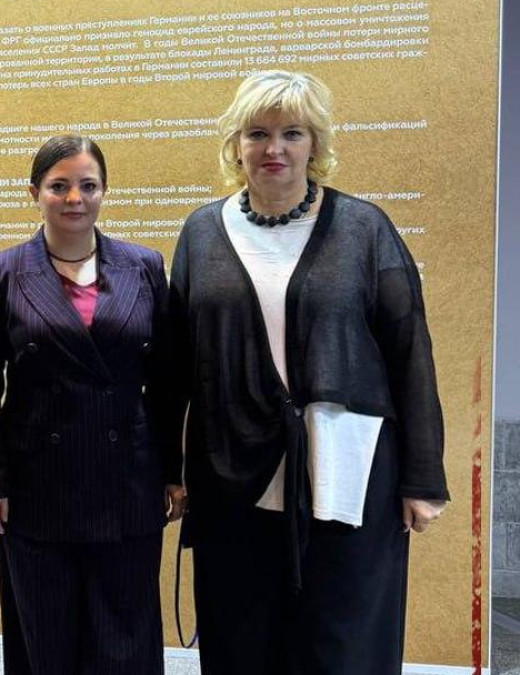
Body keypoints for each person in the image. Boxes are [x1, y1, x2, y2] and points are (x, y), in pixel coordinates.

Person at [163, 70, 448, 674]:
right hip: (231, 471)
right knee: (242, 640)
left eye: (292, 133)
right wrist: (168, 468)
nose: (275, 148)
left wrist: (422, 479)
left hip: (346, 474)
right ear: (236, 143)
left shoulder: (365, 229)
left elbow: (409, 353)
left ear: (314, 143)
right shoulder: (201, 233)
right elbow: (175, 365)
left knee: (342, 642)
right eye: (258, 133)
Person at [0, 134, 186, 674]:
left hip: (127, 478)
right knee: (48, 635)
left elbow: (167, 382)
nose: (74, 198)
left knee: (125, 635)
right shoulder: (0, 274)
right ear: (34, 193)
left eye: (87, 185)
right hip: (38, 483)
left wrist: (173, 473)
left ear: (104, 191)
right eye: (58, 186)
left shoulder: (144, 266)